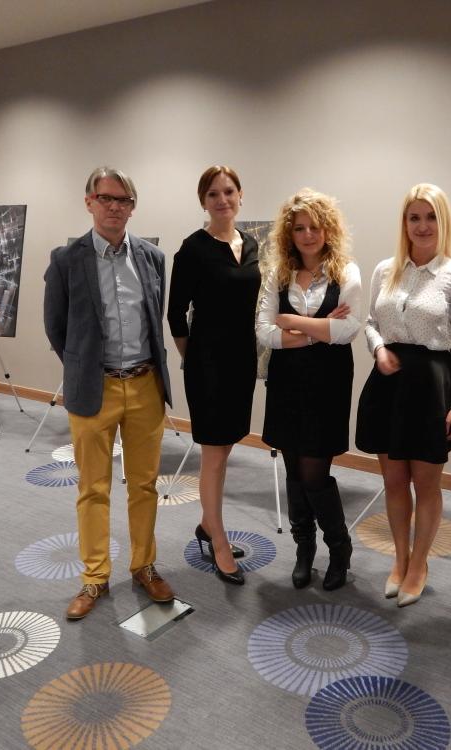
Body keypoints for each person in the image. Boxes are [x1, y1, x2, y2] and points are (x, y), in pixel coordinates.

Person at [44, 166, 175, 620]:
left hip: (144, 385)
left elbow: (155, 320)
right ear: (89, 202)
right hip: (93, 388)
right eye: (106, 198)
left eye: (123, 200)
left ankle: (144, 566)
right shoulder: (67, 260)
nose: (115, 207)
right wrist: (83, 367)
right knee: (93, 488)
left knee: (144, 484)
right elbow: (56, 327)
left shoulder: (153, 258)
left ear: (132, 207)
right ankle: (95, 577)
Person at [355, 183, 451, 607]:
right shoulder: (385, 270)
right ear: (404, 223)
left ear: (443, 222)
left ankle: (420, 564)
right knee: (393, 481)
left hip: (431, 388)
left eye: (430, 217)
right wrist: (378, 348)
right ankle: (400, 559)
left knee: (426, 485)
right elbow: (371, 322)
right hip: (388, 385)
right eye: (414, 218)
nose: (422, 226)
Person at [256, 188, 362, 591]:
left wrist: (290, 321)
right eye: (299, 228)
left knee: (315, 473)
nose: (307, 235)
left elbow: (347, 331)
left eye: (315, 227)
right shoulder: (277, 274)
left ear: (328, 229)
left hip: (328, 383)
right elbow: (263, 331)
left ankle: (339, 547)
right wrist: (319, 330)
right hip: (287, 381)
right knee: (293, 469)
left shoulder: (346, 271)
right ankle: (305, 549)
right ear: (289, 233)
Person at [167, 166, 261, 586]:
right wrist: (194, 359)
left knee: (227, 446)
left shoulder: (251, 244)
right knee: (214, 454)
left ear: (240, 195)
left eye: (229, 191)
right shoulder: (192, 249)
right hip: (207, 363)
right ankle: (218, 540)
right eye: (213, 194)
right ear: (203, 201)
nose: (222, 200)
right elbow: (175, 314)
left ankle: (208, 525)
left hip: (242, 361)